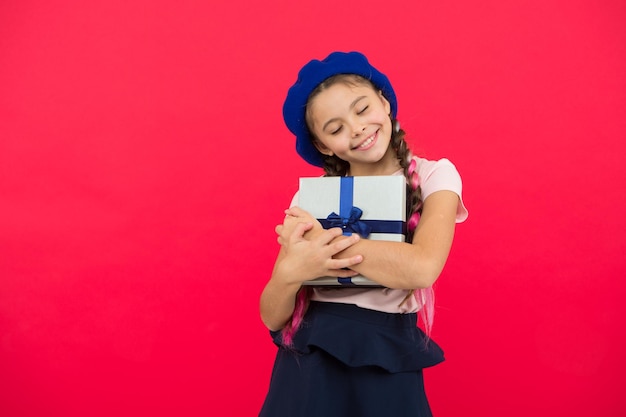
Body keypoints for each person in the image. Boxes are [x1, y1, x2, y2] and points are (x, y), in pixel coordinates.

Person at [259, 51, 468, 417]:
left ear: (384, 101)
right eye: (335, 128)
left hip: (388, 352)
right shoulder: (311, 196)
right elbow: (272, 316)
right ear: (324, 146)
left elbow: (421, 269)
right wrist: (289, 273)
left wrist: (321, 249)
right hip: (309, 362)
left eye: (362, 108)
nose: (356, 129)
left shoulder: (436, 176)